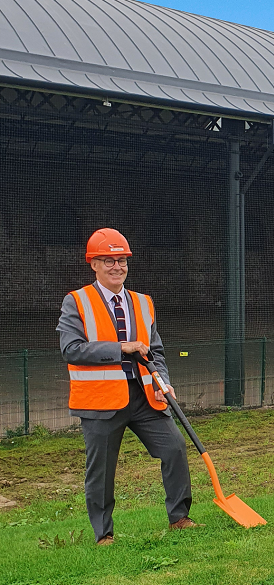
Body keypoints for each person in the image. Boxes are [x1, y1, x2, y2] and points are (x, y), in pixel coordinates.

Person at [57, 228, 196, 545]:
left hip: (145, 396)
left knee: (174, 448)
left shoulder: (144, 303)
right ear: (93, 264)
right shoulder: (76, 302)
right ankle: (103, 534)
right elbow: (72, 349)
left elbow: (154, 351)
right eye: (109, 260)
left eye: (122, 260)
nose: (117, 266)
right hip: (100, 402)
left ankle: (179, 518)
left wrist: (163, 381)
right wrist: (121, 348)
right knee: (102, 471)